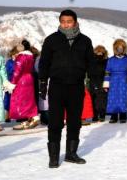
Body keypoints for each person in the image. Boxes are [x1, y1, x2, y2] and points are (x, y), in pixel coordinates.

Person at [39, 9, 94, 168]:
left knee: (74, 121)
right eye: (63, 22)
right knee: (55, 122)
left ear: (75, 22)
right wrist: (42, 82)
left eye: (69, 22)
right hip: (56, 86)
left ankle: (71, 154)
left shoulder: (85, 41)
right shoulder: (51, 40)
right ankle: (54, 157)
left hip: (76, 86)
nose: (66, 24)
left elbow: (91, 63)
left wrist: (94, 84)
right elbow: (44, 63)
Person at [10, 40, 40, 130]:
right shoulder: (30, 56)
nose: (17, 46)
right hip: (29, 78)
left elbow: (17, 71)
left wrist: (13, 83)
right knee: (28, 100)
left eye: (19, 45)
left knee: (21, 100)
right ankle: (29, 119)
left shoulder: (21, 56)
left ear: (23, 47)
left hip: (21, 80)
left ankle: (33, 118)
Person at [104, 39, 127, 124]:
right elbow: (107, 72)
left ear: (124, 48)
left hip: (124, 80)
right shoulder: (111, 60)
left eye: (121, 48)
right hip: (113, 81)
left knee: (123, 97)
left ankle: (123, 115)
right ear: (115, 49)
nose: (120, 49)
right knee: (113, 98)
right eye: (118, 48)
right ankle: (114, 116)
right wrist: (106, 84)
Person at [89, 45, 109, 122]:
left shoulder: (106, 61)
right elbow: (89, 72)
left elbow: (107, 72)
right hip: (93, 82)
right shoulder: (91, 61)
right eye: (98, 52)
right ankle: (95, 115)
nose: (100, 54)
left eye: (101, 52)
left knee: (102, 99)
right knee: (93, 99)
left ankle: (102, 115)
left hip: (103, 82)